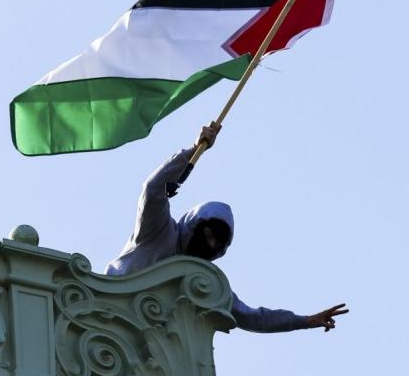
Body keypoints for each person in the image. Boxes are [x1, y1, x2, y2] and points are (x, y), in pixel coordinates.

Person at [105, 122, 348, 333]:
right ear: (197, 225)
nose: (211, 244)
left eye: (219, 242)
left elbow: (251, 317)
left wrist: (304, 321)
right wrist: (193, 151)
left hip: (142, 333)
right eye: (210, 234)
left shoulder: (201, 278)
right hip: (106, 308)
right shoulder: (158, 230)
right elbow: (153, 188)